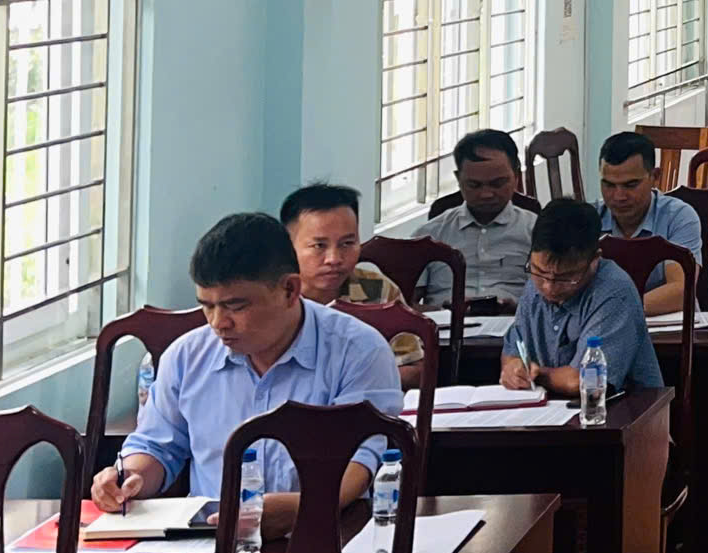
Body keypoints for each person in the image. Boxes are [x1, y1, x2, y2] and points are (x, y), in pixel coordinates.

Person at [98, 212, 402, 534]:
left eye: (236, 306)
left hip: (329, 536)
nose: (218, 323)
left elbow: (360, 463)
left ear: (290, 289)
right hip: (212, 539)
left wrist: (300, 509)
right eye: (207, 306)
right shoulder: (187, 357)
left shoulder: (358, 351)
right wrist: (128, 478)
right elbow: (157, 446)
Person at [502, 199, 664, 395]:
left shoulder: (614, 291)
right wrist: (513, 369)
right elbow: (512, 351)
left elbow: (584, 381)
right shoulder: (535, 284)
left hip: (622, 409)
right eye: (539, 271)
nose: (549, 287)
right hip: (549, 407)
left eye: (566, 277)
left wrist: (536, 375)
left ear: (595, 259)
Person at [281, 181, 424, 387]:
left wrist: (353, 384)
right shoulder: (271, 297)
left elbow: (414, 368)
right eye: (319, 245)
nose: (334, 259)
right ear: (288, 246)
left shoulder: (378, 290)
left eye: (347, 243)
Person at [420, 128, 534, 308]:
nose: (486, 194)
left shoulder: (536, 232)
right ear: (458, 179)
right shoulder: (430, 235)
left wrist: (517, 308)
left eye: (497, 183)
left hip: (515, 321)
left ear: (516, 177)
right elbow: (405, 303)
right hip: (445, 322)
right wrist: (443, 312)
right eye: (474, 185)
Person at [595, 131, 704, 317]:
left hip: (672, 331)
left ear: (655, 176)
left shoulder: (678, 217)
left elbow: (681, 291)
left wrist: (616, 310)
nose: (619, 196)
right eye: (609, 185)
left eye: (631, 185)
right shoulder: (589, 220)